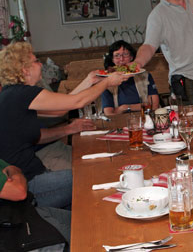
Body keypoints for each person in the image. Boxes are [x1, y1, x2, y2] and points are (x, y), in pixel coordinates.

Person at [0, 42, 130, 209]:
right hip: (30, 183)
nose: (40, 64)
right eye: (36, 61)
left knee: (90, 178)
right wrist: (106, 83)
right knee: (94, 175)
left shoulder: (13, 95)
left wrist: (89, 81)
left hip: (33, 174)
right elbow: (77, 102)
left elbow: (60, 110)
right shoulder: (22, 94)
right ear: (25, 69)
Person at [0, 160, 70, 251]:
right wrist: (12, 173)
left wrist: (13, 172)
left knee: (83, 223)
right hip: (13, 227)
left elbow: (14, 169)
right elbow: (19, 192)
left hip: (24, 210)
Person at [101, 40, 159, 115]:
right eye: (117, 55)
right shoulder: (107, 81)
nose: (121, 59)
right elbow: (109, 113)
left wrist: (125, 107)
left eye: (125, 54)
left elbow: (154, 106)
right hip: (120, 121)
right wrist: (142, 106)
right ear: (112, 59)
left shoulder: (145, 76)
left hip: (145, 117)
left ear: (131, 57)